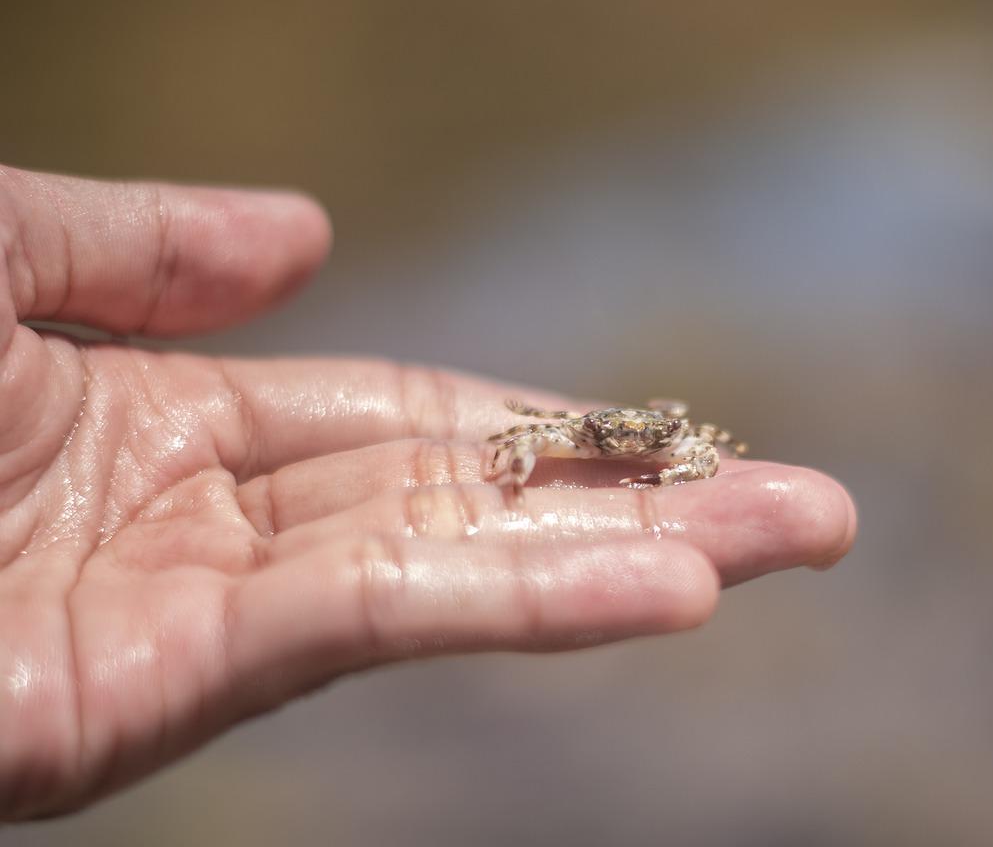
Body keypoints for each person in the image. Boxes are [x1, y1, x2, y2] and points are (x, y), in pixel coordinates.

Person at [0, 165, 856, 820]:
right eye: (616, 435)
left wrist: (665, 462)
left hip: (651, 437)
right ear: (604, 429)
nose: (623, 441)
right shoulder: (579, 433)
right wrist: (527, 461)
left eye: (645, 434)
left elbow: (693, 446)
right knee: (529, 433)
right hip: (590, 432)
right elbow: (527, 431)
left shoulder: (661, 434)